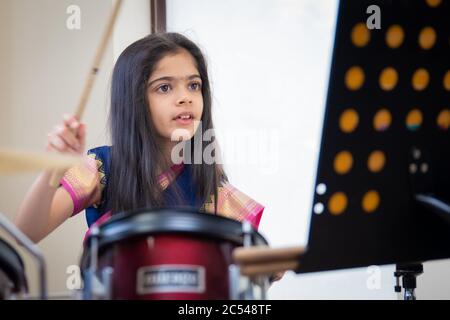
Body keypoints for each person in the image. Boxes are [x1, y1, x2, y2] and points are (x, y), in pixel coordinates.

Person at [14, 32, 283, 282]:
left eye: (194, 85)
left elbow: (237, 279)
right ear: (134, 100)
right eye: (165, 88)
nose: (185, 98)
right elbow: (25, 232)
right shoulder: (101, 167)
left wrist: (268, 269)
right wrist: (54, 169)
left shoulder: (215, 193)